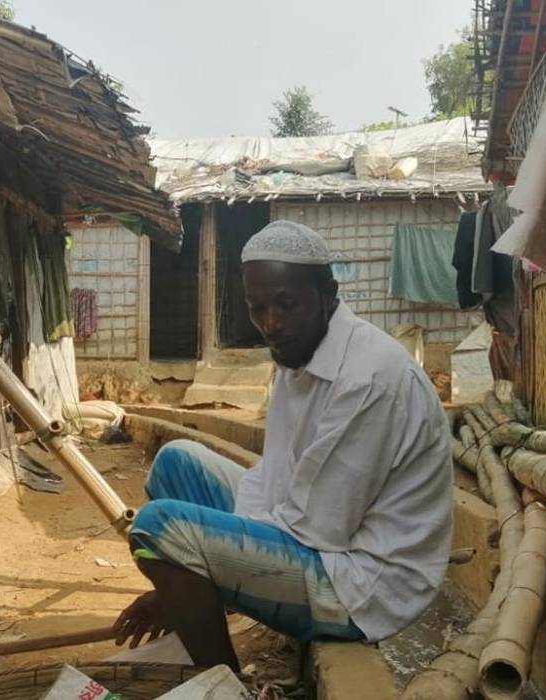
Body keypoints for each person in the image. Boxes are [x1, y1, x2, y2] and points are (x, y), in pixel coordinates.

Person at [114, 221, 453, 668]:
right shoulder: (301, 354)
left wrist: (191, 568)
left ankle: (225, 687)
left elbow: (318, 529)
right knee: (176, 462)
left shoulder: (368, 379)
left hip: (360, 582)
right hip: (317, 533)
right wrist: (201, 566)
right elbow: (271, 479)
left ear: (328, 293)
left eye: (286, 305)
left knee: (159, 529)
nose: (271, 324)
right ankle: (199, 610)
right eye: (258, 308)